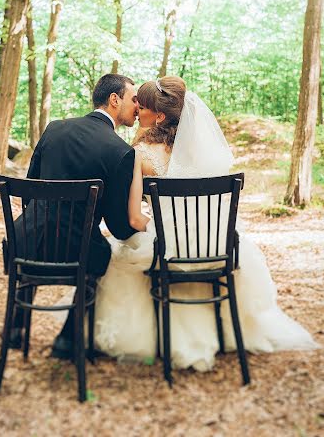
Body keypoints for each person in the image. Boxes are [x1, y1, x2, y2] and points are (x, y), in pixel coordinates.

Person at [94, 76, 318, 370]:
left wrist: (151, 225)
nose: (137, 109)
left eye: (143, 105)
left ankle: (162, 337)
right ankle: (220, 333)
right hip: (213, 244)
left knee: (117, 256)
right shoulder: (198, 150)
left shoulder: (139, 154)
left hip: (169, 249)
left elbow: (135, 218)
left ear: (159, 116)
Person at [11, 74, 139, 358]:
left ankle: (15, 327)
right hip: (75, 251)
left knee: (44, 233)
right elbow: (119, 227)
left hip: (24, 241)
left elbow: (30, 191)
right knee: (100, 252)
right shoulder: (120, 152)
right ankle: (67, 340)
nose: (138, 107)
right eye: (134, 99)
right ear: (114, 99)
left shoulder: (54, 129)